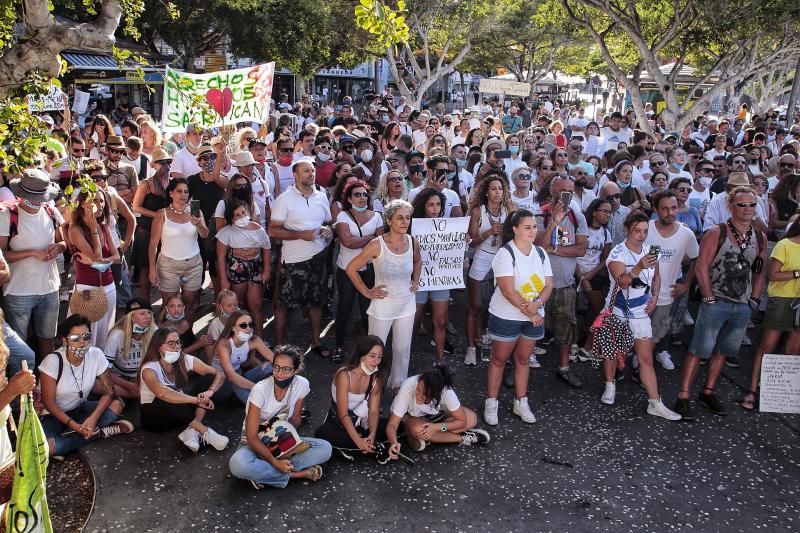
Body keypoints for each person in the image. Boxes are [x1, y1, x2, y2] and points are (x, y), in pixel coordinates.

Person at [673, 187, 768, 420]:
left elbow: (759, 271)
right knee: (699, 349)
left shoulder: (759, 237)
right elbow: (701, 266)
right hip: (716, 300)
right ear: (730, 207)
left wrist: (754, 299)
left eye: (751, 204)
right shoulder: (718, 232)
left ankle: (708, 391)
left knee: (724, 349)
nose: (747, 209)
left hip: (742, 303)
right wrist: (707, 296)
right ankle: (683, 396)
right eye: (741, 204)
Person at [601, 213, 682, 419]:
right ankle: (609, 385)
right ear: (627, 230)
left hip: (640, 313)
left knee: (645, 358)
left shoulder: (650, 251)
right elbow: (622, 282)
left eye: (646, 231)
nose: (642, 235)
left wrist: (655, 295)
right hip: (618, 311)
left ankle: (655, 402)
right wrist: (638, 267)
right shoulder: (618, 253)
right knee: (613, 351)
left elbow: (656, 277)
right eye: (638, 230)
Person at [483, 209, 553, 426]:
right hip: (506, 316)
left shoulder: (541, 253)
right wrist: (531, 312)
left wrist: (538, 305)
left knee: (523, 360)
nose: (533, 231)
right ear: (514, 230)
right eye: (527, 227)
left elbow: (548, 284)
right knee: (499, 359)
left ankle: (521, 401)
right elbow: (507, 290)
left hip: (533, 317)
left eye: (534, 227)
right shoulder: (505, 254)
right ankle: (491, 402)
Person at [228, 345, 333, 489]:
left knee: (325, 448)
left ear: (296, 370)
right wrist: (275, 462)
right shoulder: (260, 390)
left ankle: (261, 474)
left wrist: (291, 445)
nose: (279, 373)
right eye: (276, 367)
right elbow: (251, 437)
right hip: (255, 442)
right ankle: (296, 474)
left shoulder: (302, 385)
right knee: (237, 464)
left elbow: (295, 419)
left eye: (286, 369)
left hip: (282, 439)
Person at [346, 199, 421, 391]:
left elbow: (418, 261)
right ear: (389, 220)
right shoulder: (376, 244)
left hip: (406, 304)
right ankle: (368, 386)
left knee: (402, 350)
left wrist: (416, 280)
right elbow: (351, 268)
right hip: (382, 305)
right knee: (373, 351)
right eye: (400, 218)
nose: (405, 222)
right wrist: (367, 292)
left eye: (407, 218)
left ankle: (398, 386)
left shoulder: (413, 241)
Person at [40, 315, 135, 456]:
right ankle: (99, 433)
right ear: (65, 341)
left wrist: (94, 418)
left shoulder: (96, 354)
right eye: (75, 338)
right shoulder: (52, 361)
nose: (82, 342)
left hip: (80, 408)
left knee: (116, 405)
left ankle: (73, 439)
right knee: (45, 448)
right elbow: (49, 403)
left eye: (86, 336)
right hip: (54, 415)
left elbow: (109, 391)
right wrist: (74, 425)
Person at [269, 158, 333, 355]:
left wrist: (327, 231)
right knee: (284, 305)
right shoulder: (284, 199)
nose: (311, 174)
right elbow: (273, 230)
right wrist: (300, 235)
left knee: (316, 302)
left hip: (318, 258)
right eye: (306, 171)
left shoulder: (321, 196)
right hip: (294, 260)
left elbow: (328, 222)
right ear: (295, 175)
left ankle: (315, 342)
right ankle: (279, 345)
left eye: (312, 170)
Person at [0, 169, 66, 361]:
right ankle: (23, 387)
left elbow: (64, 243)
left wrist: (58, 248)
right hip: (18, 291)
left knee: (48, 339)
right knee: (19, 344)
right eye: (33, 196)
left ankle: (46, 381)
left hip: (49, 287)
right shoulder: (7, 216)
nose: (37, 201)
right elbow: (2, 256)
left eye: (41, 196)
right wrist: (31, 253)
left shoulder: (51, 211)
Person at [535, 177, 589, 388]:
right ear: (552, 191)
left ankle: (564, 368)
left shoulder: (577, 216)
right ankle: (522, 363)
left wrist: (555, 250)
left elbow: (581, 249)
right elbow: (539, 246)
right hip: (539, 285)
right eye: (562, 190)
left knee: (566, 327)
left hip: (565, 284)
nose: (567, 194)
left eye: (570, 190)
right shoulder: (541, 213)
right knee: (531, 326)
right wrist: (555, 222)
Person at [138, 327, 228, 452]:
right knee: (168, 393)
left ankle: (192, 430)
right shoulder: (149, 369)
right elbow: (162, 393)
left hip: (179, 414)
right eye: (171, 343)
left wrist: (210, 392)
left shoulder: (183, 359)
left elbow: (220, 374)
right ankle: (204, 431)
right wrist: (197, 400)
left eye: (178, 342)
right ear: (159, 347)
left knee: (210, 377)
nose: (176, 346)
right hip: (155, 419)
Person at [740, 222, 800, 410]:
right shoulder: (785, 245)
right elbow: (773, 276)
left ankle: (781, 395)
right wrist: (798, 273)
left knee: (793, 352)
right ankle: (752, 390)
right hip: (782, 299)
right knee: (767, 346)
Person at [643, 191, 699, 371]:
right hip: (642, 291)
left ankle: (660, 353)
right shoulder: (645, 228)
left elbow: (697, 258)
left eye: (673, 208)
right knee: (641, 326)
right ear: (655, 209)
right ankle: (641, 357)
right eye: (665, 208)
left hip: (671, 290)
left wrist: (687, 284)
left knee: (663, 325)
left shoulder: (686, 234)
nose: (670, 212)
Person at [314, 336, 391, 459]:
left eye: (379, 357)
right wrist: (359, 441)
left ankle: (360, 446)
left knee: (395, 426)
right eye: (372, 356)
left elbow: (374, 411)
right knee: (322, 434)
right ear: (361, 355)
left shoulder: (377, 378)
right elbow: (343, 414)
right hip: (338, 424)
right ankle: (365, 446)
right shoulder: (344, 375)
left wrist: (372, 433)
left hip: (360, 423)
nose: (376, 361)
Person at [386, 365, 490, 455]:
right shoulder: (407, 388)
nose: (419, 396)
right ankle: (462, 437)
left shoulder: (446, 392)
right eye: (418, 389)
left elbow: (462, 421)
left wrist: (437, 427)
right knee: (417, 429)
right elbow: (392, 425)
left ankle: (430, 437)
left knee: (472, 418)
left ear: (437, 394)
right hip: (410, 416)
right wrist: (393, 443)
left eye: (426, 395)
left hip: (436, 417)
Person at [464, 173, 513, 365]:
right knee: (475, 305)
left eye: (500, 188)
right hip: (482, 258)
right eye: (493, 188)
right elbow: (472, 242)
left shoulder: (509, 210)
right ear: (486, 192)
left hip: (502, 259)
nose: (498, 192)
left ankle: (490, 343)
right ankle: (470, 348)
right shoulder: (478, 211)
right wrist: (489, 232)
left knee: (497, 306)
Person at [334, 180, 384, 361]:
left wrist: (359, 239)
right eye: (357, 194)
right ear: (349, 198)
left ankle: (369, 351)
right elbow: (346, 242)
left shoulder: (377, 216)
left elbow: (380, 243)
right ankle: (338, 347)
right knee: (344, 309)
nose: (362, 198)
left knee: (367, 311)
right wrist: (371, 238)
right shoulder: (342, 216)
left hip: (369, 270)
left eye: (364, 194)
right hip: (346, 271)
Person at [148, 178, 208, 323]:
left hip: (193, 264)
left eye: (186, 192)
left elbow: (205, 234)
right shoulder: (161, 214)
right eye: (179, 191)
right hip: (168, 265)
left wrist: (199, 224)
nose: (183, 195)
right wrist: (152, 269)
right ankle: (166, 337)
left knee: (190, 303)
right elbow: (153, 244)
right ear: (171, 193)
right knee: (169, 303)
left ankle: (186, 336)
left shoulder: (196, 211)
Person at [67, 187, 120, 350]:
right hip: (87, 290)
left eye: (102, 200)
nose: (101, 204)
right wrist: (92, 229)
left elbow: (117, 258)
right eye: (95, 201)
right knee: (84, 338)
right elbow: (98, 257)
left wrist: (94, 263)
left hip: (109, 287)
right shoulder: (75, 229)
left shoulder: (104, 226)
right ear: (83, 204)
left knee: (105, 336)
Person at [215, 200, 271, 336]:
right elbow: (221, 257)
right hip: (236, 271)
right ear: (231, 218)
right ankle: (237, 336)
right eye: (237, 215)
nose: (241, 217)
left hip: (255, 270)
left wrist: (266, 270)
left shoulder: (258, 229)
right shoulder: (227, 232)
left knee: (256, 305)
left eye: (243, 213)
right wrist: (223, 280)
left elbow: (267, 248)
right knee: (238, 304)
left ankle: (259, 337)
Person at [575, 198, 612, 360]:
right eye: (604, 211)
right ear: (594, 211)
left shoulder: (605, 233)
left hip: (593, 275)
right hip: (575, 273)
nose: (608, 215)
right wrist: (581, 278)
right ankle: (585, 346)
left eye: (610, 212)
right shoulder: (580, 229)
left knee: (597, 310)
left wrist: (589, 276)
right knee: (597, 312)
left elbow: (606, 259)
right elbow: (572, 254)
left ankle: (587, 346)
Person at [212, 310, 274, 404]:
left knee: (272, 366)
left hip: (240, 377)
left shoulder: (254, 340)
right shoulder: (224, 345)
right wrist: (257, 388)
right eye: (243, 325)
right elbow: (231, 377)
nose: (248, 328)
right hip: (221, 384)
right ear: (233, 328)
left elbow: (277, 361)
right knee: (237, 383)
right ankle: (265, 409)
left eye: (251, 324)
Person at [131, 148, 170, 298]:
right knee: (145, 268)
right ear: (154, 165)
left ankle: (167, 304)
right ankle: (145, 303)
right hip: (146, 230)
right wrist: (158, 215)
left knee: (165, 269)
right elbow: (136, 207)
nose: (165, 165)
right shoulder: (145, 184)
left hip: (165, 232)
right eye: (161, 162)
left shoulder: (171, 184)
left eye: (167, 162)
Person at [104, 297, 154, 399]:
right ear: (131, 316)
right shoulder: (116, 335)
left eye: (149, 313)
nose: (147, 317)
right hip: (118, 376)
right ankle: (135, 395)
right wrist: (131, 386)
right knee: (97, 385)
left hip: (140, 376)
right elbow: (105, 371)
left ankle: (124, 397)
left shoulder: (154, 330)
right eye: (142, 313)